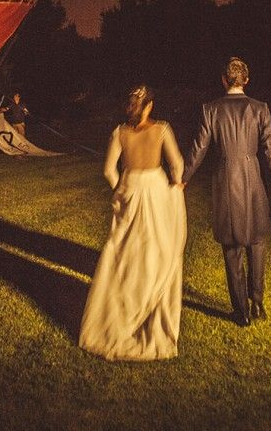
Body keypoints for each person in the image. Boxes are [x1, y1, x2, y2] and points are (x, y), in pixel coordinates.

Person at [182, 57, 271, 326]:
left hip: (226, 182)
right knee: (257, 241)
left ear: (224, 80)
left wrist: (182, 178)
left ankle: (240, 310)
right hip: (253, 179)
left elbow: (199, 147)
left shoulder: (211, 109)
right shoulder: (260, 109)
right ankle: (257, 303)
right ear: (246, 80)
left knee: (232, 247)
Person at [79, 85, 186, 360]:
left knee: (123, 252)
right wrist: (175, 183)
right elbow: (177, 165)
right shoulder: (162, 130)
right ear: (149, 105)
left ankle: (119, 310)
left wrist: (120, 189)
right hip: (155, 190)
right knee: (156, 251)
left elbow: (107, 170)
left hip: (130, 188)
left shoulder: (120, 133)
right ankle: (148, 308)